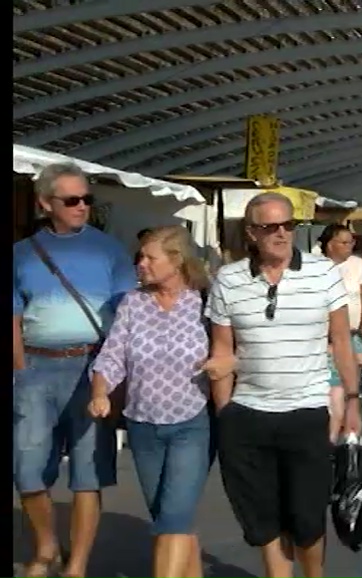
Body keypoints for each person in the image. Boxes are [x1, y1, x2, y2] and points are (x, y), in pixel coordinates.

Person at [206, 193, 361, 578]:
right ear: (251, 232)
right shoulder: (229, 279)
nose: (281, 234)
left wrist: (352, 402)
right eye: (269, 227)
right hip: (248, 415)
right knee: (262, 519)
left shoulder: (323, 272)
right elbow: (222, 350)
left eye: (288, 225)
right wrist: (226, 413)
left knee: (307, 519)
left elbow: (341, 341)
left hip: (306, 411)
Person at [88, 226, 235, 578]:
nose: (140, 263)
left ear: (177, 260)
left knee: (173, 517)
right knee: (170, 517)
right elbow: (112, 356)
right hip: (143, 426)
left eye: (149, 257)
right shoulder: (133, 304)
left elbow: (232, 350)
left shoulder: (205, 302)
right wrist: (99, 392)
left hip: (192, 424)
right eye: (140, 256)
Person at [13, 163, 137, 578]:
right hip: (35, 367)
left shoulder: (111, 251)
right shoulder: (21, 255)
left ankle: (77, 564)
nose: (82, 206)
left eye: (87, 198)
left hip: (93, 367)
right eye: (72, 200)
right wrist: (18, 370)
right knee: (27, 468)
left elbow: (126, 320)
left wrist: (117, 381)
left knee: (88, 471)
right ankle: (47, 545)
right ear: (45, 203)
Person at [318, 223, 362, 342]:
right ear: (330, 245)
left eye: (351, 242)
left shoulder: (358, 264)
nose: (349, 246)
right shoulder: (316, 265)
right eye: (344, 243)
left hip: (353, 332)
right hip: (322, 334)